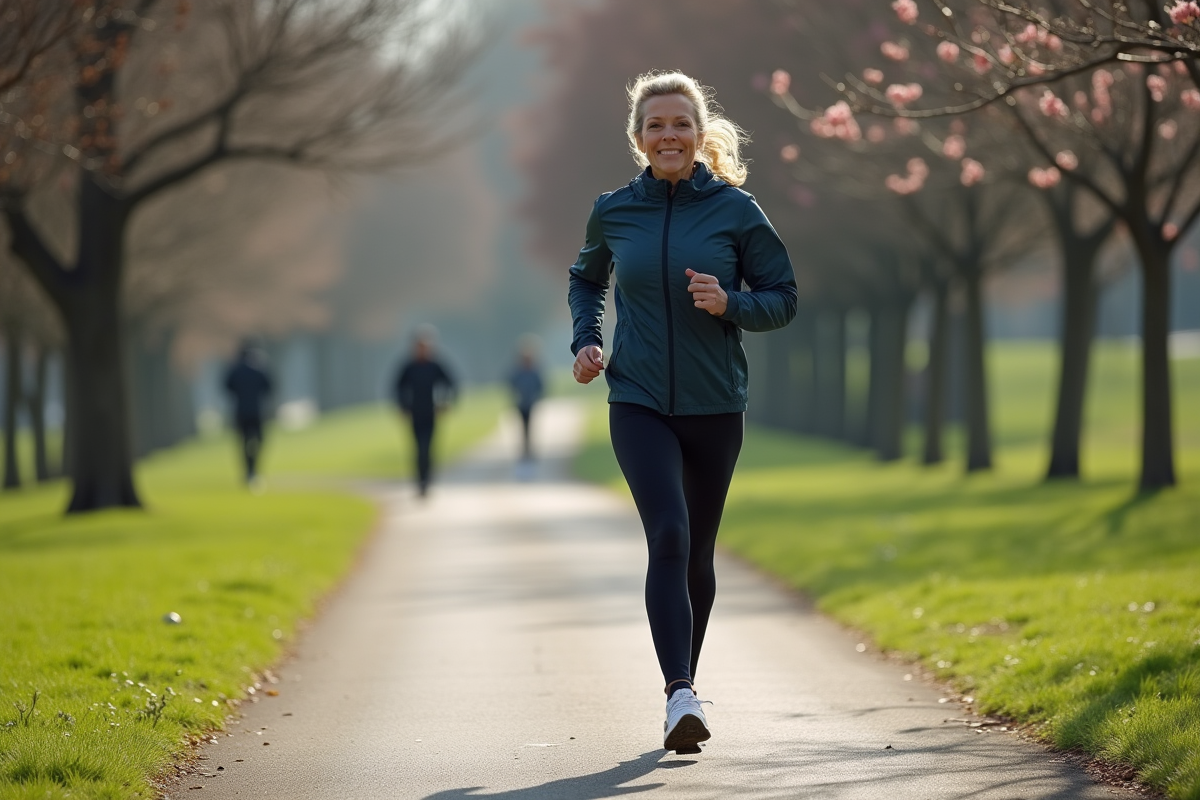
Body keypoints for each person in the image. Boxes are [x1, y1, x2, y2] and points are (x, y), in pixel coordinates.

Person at [568, 71, 797, 753]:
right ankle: (679, 694)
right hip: (637, 399)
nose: (669, 136)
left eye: (681, 124)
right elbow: (586, 277)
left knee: (697, 550)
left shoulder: (736, 210)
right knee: (667, 533)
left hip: (715, 405)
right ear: (639, 138)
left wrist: (732, 303)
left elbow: (782, 296)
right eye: (656, 125)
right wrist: (588, 338)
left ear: (700, 134)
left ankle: (684, 684)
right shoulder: (613, 209)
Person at [393, 327, 456, 497]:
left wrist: (445, 403)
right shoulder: (409, 367)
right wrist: (402, 407)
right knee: (417, 449)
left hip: (431, 413)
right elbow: (398, 388)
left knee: (428, 448)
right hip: (415, 414)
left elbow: (451, 383)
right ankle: (419, 481)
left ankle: (427, 480)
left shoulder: (435, 366)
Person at [223, 342, 273, 487]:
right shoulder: (258, 369)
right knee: (259, 440)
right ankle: (254, 469)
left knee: (244, 442)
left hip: (241, 412)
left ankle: (248, 471)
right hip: (257, 411)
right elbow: (269, 387)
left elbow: (227, 387)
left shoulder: (235, 370)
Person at [508, 337, 545, 463]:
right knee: (522, 426)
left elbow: (540, 385)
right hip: (521, 403)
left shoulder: (534, 371)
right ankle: (525, 449)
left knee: (530, 426)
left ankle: (529, 449)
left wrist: (537, 396)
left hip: (531, 403)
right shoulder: (518, 371)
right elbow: (511, 383)